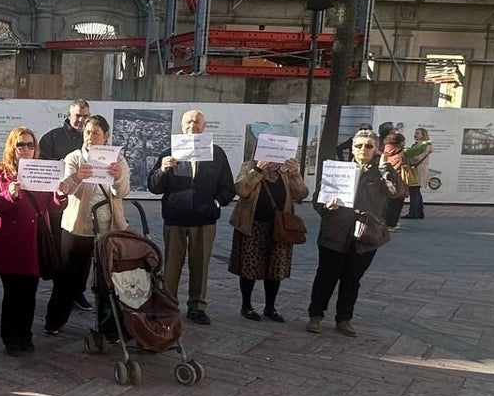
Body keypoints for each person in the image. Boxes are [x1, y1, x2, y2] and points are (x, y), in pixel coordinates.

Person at [307, 129, 401, 337]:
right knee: (326, 277)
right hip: (334, 233)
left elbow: (396, 191)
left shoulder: (380, 173)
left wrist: (385, 165)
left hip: (365, 236)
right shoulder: (339, 170)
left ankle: (344, 319)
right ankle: (315, 316)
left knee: (352, 279)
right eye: (359, 145)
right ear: (352, 148)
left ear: (376, 149)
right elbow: (318, 199)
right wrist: (325, 206)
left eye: (369, 146)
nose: (363, 150)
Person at [147, 109, 235, 325]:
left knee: (201, 265)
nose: (192, 126)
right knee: (171, 266)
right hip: (175, 219)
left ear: (204, 127)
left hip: (204, 220)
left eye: (196, 122)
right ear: (181, 126)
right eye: (188, 122)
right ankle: (169, 305)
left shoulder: (217, 154)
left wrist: (216, 202)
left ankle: (197, 306)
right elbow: (154, 187)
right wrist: (163, 170)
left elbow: (228, 187)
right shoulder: (169, 153)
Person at [44, 115, 130, 335]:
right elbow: (64, 190)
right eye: (88, 133)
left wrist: (117, 178)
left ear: (106, 136)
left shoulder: (118, 160)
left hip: (108, 229)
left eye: (96, 133)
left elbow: (122, 192)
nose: (91, 137)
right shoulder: (74, 157)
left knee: (107, 280)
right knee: (67, 276)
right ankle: (54, 321)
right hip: (77, 226)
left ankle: (110, 327)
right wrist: (76, 178)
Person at [0, 127, 65, 356]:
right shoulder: (0, 171)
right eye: (21, 145)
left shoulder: (43, 169)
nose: (26, 149)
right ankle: (10, 338)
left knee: (29, 293)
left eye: (30, 144)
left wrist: (60, 194)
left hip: (34, 242)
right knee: (12, 293)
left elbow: (54, 206)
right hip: (9, 242)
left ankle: (25, 336)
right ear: (12, 147)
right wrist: (9, 193)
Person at [227, 155, 308, 323]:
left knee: (275, 269)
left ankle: (270, 307)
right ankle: (246, 306)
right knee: (249, 267)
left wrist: (295, 174)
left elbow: (301, 194)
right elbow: (241, 190)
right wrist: (257, 171)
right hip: (252, 225)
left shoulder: (285, 172)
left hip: (279, 227)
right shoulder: (249, 166)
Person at [39, 98, 95, 313]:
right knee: (62, 253)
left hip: (85, 206)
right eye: (78, 115)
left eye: (85, 116)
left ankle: (77, 292)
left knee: (84, 255)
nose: (81, 120)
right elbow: (42, 167)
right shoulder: (52, 138)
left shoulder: (94, 141)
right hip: (58, 206)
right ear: (69, 116)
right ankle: (62, 291)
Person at [402, 127, 432, 220]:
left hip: (417, 170)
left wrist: (406, 158)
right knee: (416, 192)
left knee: (414, 192)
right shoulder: (420, 145)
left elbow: (416, 158)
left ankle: (413, 213)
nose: (415, 135)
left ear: (423, 135)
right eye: (415, 133)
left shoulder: (423, 145)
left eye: (418, 133)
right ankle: (419, 212)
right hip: (418, 170)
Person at [381, 132, 407, 231]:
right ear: (400, 142)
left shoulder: (386, 150)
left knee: (388, 202)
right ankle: (391, 224)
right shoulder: (402, 152)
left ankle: (385, 222)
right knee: (397, 202)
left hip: (387, 178)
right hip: (399, 178)